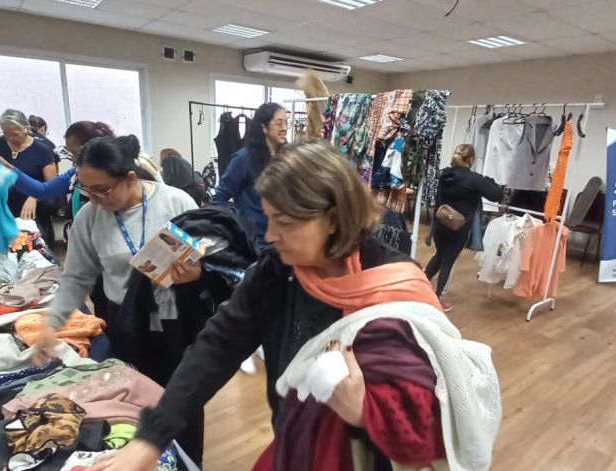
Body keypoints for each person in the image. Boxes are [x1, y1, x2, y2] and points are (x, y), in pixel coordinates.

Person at [87, 139, 451, 471]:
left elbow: (434, 415)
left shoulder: (396, 289)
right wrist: (151, 439)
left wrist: (364, 414)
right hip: (297, 446)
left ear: (333, 218)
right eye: (269, 218)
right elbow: (217, 346)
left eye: (285, 222)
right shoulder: (278, 271)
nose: (271, 235)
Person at [30, 135, 200, 458]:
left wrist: (197, 271)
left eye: (102, 190)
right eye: (87, 190)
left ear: (130, 178)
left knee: (184, 400)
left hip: (177, 318)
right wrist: (53, 324)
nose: (94, 198)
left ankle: (190, 459)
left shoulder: (176, 203)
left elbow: (209, 259)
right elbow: (76, 277)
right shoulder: (90, 217)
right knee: (134, 404)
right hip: (127, 322)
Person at [424, 144, 503, 311]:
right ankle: (437, 299)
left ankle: (420, 285)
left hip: (440, 222)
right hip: (458, 227)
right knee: (448, 260)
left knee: (439, 255)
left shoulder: (444, 174)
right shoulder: (473, 179)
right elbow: (496, 194)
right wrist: (490, 181)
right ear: (471, 159)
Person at [213, 102, 289, 250]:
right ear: (264, 127)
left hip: (282, 239)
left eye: (286, 123)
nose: (284, 128)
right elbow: (220, 197)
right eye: (279, 123)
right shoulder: (244, 158)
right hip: (255, 242)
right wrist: (235, 227)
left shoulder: (287, 157)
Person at [0, 109, 58, 246]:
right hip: (6, 203)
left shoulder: (42, 150)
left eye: (14, 134)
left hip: (33, 206)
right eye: (5, 133)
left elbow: (52, 183)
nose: (10, 138)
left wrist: (34, 196)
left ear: (26, 128)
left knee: (34, 244)